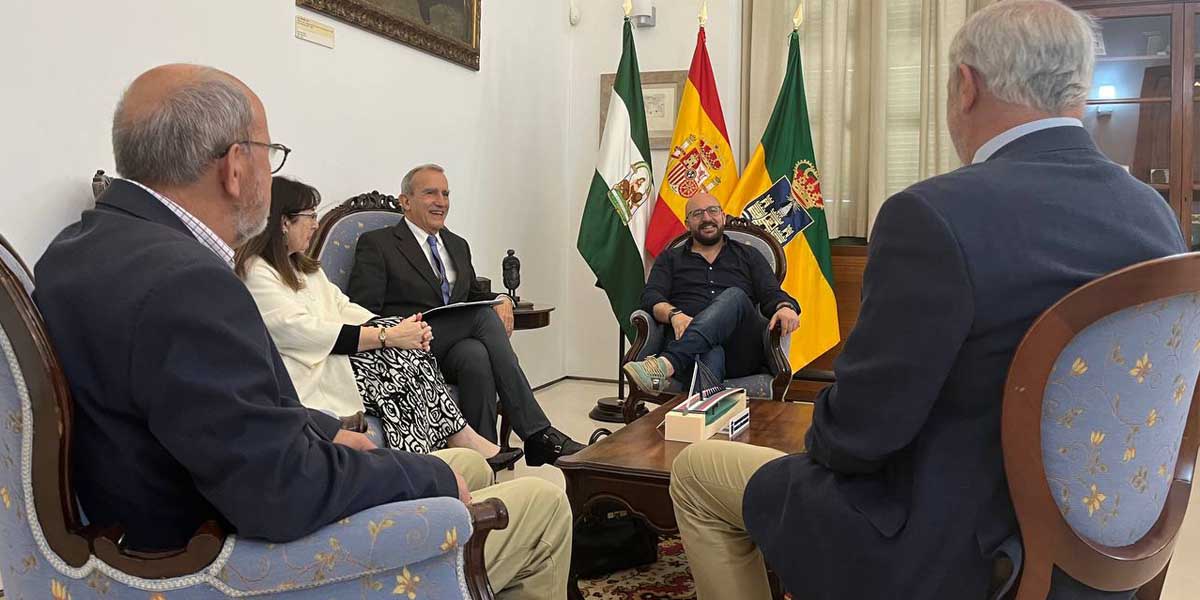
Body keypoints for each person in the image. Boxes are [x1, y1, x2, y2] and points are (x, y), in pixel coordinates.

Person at [667, 2, 1188, 599]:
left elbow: (856, 439)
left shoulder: (935, 216)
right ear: (1078, 87)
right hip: (1103, 551)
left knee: (697, 474)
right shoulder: (1153, 214)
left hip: (950, 558)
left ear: (965, 86)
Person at [34, 64, 570, 598]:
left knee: (468, 464)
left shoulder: (75, 250)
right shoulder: (189, 282)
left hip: (158, 524)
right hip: (233, 563)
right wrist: (424, 478)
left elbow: (204, 407)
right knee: (538, 505)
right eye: (272, 153)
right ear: (236, 167)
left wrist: (320, 426)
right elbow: (282, 492)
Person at [235, 176, 524, 471]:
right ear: (284, 222)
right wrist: (387, 336)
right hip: (310, 368)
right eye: (310, 216)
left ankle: (434, 457)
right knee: (408, 355)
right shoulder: (257, 272)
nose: (314, 224)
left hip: (339, 354)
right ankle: (447, 451)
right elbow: (301, 332)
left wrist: (397, 329)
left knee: (426, 351)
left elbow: (343, 307)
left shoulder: (304, 268)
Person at [347, 164, 584, 466]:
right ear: (405, 201)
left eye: (445, 193)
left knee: (474, 355)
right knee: (483, 318)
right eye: (430, 193)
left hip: (446, 349)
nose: (441, 201)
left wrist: (500, 298)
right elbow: (362, 312)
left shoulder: (457, 245)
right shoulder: (378, 244)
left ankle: (483, 460)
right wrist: (399, 334)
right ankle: (537, 432)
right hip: (404, 347)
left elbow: (471, 295)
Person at [622, 191, 800, 391]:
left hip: (739, 351)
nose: (706, 218)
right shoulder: (670, 259)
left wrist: (785, 307)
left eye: (712, 211)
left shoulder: (749, 255)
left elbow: (771, 293)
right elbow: (650, 297)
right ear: (687, 223)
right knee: (709, 350)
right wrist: (674, 315)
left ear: (722, 216)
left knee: (736, 296)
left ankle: (666, 363)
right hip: (690, 347)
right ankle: (702, 418)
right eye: (697, 214)